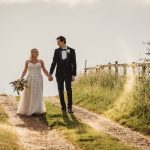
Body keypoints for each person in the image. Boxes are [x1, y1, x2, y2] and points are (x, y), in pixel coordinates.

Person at [49, 36, 77, 113]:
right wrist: (50, 73)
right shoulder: (56, 51)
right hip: (59, 74)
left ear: (63, 41)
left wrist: (74, 74)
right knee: (60, 91)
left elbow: (74, 63)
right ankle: (63, 107)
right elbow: (54, 63)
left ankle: (70, 108)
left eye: (58, 42)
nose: (57, 43)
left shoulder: (71, 50)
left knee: (69, 90)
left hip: (69, 73)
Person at [17, 48, 49, 116]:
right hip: (29, 79)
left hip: (38, 79)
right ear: (32, 53)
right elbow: (25, 70)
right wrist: (21, 78)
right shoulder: (27, 62)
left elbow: (44, 70)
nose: (37, 54)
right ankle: (29, 110)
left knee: (38, 93)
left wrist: (49, 76)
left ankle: (37, 109)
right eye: (35, 52)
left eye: (37, 52)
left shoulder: (41, 61)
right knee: (29, 93)